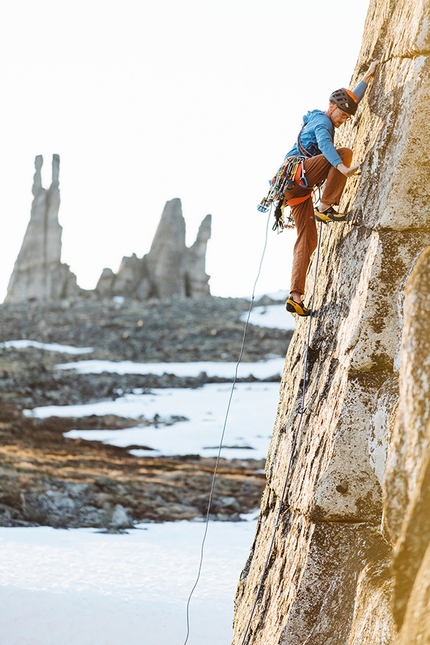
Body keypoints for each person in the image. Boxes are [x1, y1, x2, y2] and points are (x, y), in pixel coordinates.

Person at [282, 60, 379, 317]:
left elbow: (349, 100)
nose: (344, 121)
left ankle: (295, 297)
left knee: (308, 239)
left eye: (348, 118)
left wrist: (366, 79)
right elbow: (325, 144)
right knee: (343, 152)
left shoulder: (331, 112)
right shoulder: (322, 122)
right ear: (331, 108)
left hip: (297, 191)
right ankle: (324, 206)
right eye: (343, 116)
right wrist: (342, 167)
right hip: (298, 176)